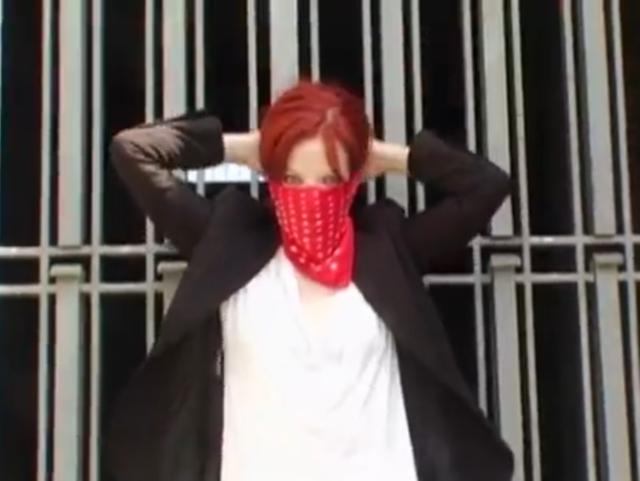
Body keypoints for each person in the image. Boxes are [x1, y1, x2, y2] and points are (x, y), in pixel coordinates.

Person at [106, 80, 514, 481]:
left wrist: (389, 157)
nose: (311, 195)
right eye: (292, 178)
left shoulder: (388, 248)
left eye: (329, 179)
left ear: (354, 180)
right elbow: (133, 151)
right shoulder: (230, 240)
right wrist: (243, 147)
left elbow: (487, 186)